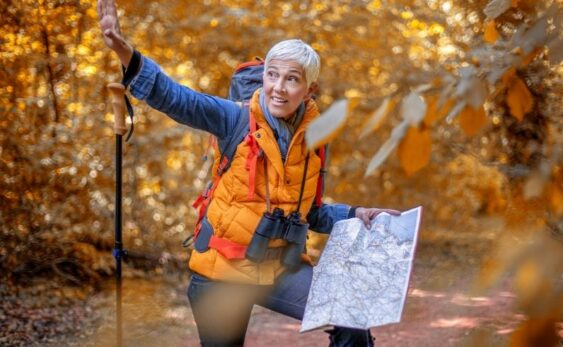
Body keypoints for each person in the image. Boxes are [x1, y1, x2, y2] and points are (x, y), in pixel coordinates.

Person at [98, 0, 401, 345]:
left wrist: (355, 213)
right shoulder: (234, 119)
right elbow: (177, 98)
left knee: (351, 317)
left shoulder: (316, 141)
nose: (278, 88)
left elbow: (310, 213)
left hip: (279, 270)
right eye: (272, 75)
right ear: (264, 76)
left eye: (292, 79)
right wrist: (125, 52)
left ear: (309, 89)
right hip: (220, 272)